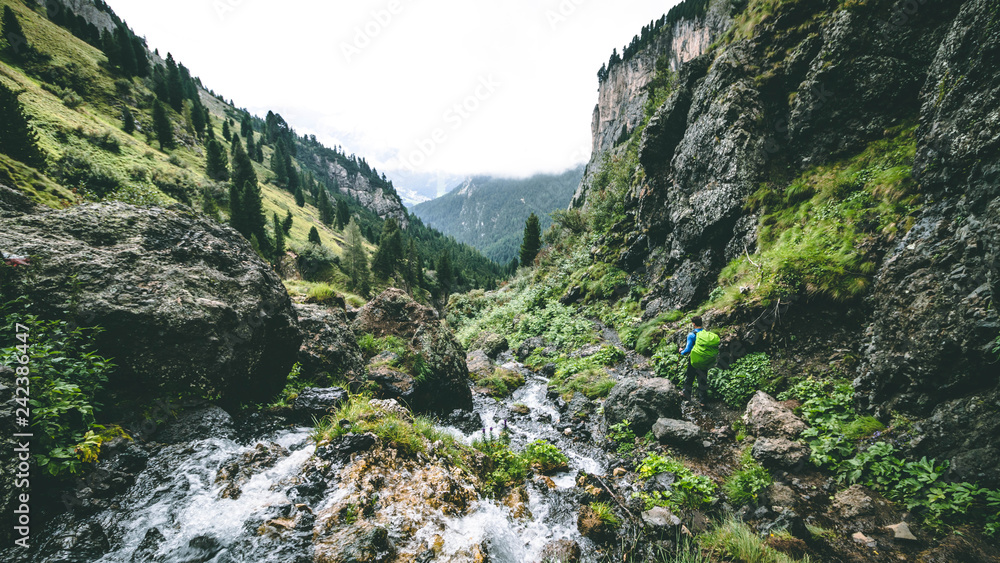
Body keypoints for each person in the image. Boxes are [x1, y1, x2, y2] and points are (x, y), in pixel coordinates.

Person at [678, 316, 719, 406]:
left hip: (694, 360)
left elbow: (687, 350)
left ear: (693, 324)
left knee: (690, 377)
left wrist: (681, 351)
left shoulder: (692, 335)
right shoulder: (705, 334)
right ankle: (703, 402)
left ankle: (686, 394)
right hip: (704, 361)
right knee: (702, 380)